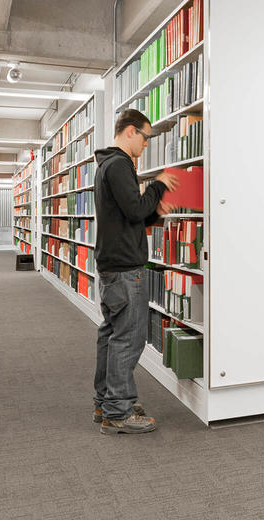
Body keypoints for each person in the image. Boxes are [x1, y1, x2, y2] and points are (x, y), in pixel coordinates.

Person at [93, 108, 178, 435]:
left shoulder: (108, 166)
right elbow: (133, 208)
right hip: (125, 270)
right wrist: (156, 187)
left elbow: (133, 217)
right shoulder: (119, 166)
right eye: (145, 137)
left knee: (112, 337)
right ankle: (118, 409)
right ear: (130, 132)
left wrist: (154, 212)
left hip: (114, 266)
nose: (146, 145)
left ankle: (107, 401)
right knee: (128, 339)